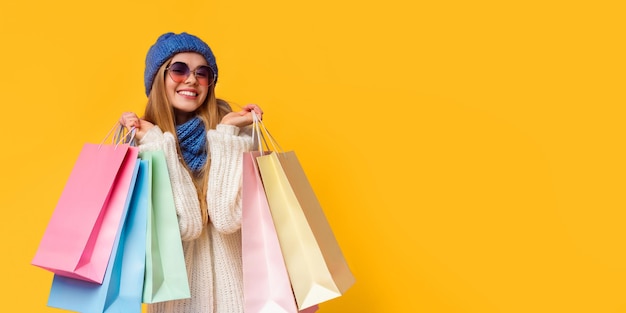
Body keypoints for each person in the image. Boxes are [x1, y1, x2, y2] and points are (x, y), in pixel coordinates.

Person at [119, 32, 263, 313]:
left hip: (242, 300)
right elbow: (186, 227)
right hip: (178, 304)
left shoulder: (234, 137)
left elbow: (226, 217)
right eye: (178, 69)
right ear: (158, 79)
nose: (191, 79)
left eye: (202, 72)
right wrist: (159, 147)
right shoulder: (143, 145)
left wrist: (229, 136)